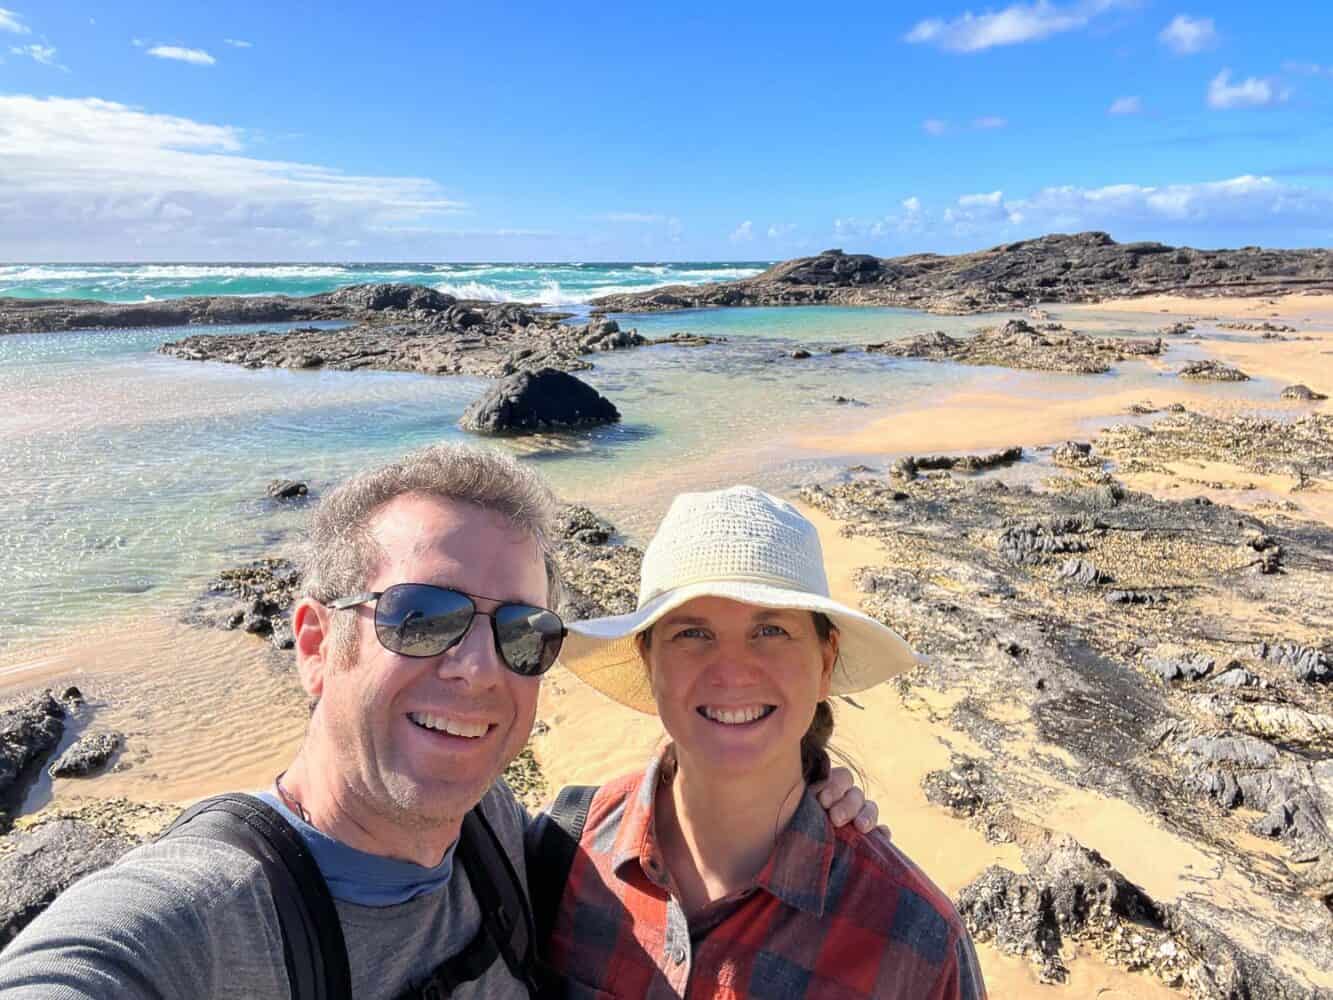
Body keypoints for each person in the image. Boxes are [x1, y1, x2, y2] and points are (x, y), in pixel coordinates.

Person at [0, 444, 876, 999]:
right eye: (420, 616)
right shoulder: (199, 924)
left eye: (520, 632)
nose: (475, 667)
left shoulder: (513, 846)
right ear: (313, 642)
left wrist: (800, 791)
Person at [543, 486, 987, 999]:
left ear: (825, 661)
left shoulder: (917, 942)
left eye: (771, 630)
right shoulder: (564, 849)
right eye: (693, 633)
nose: (732, 672)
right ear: (648, 661)